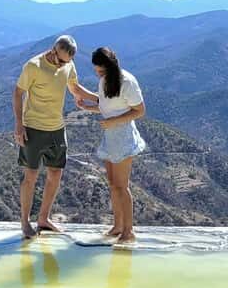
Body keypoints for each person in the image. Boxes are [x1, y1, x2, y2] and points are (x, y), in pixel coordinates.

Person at [13, 35, 97, 239]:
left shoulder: (67, 64)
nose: (62, 65)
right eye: (60, 60)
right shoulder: (33, 66)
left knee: (55, 174)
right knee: (30, 177)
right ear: (53, 50)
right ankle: (25, 222)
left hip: (57, 128)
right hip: (33, 128)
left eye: (66, 62)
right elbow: (17, 93)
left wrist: (98, 98)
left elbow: (74, 88)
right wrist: (19, 125)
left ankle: (44, 219)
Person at [77, 46, 146, 243]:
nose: (97, 73)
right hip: (109, 137)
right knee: (113, 184)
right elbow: (106, 106)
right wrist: (88, 108)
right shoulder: (104, 81)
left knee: (122, 186)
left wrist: (114, 122)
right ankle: (117, 226)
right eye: (96, 70)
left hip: (123, 136)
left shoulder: (128, 81)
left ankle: (128, 231)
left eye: (100, 70)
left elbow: (140, 110)